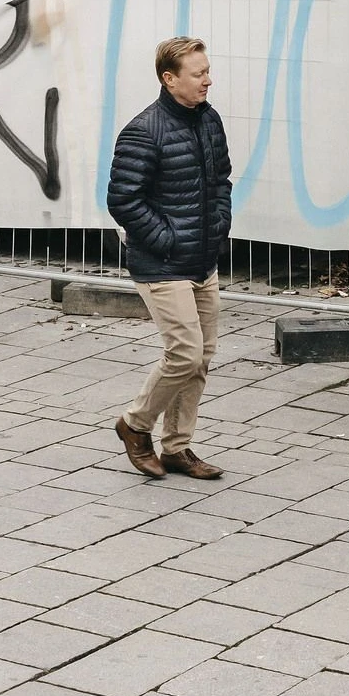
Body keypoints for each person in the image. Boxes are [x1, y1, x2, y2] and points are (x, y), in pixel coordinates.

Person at [106, 36, 234, 481]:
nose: (207, 80)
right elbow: (123, 200)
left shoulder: (208, 119)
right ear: (169, 78)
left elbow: (221, 179)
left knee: (202, 357)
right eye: (198, 74)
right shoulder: (144, 130)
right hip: (161, 263)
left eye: (206, 70)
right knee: (184, 353)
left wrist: (218, 226)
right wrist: (167, 239)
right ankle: (135, 426)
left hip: (204, 259)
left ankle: (178, 447)